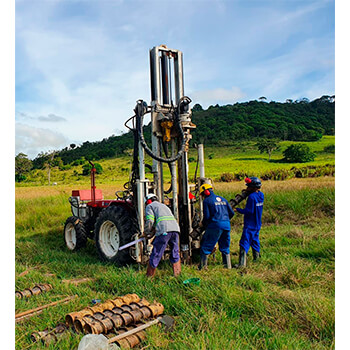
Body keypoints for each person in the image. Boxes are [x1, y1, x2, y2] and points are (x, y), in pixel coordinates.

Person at [144, 193, 181, 277]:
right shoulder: (164, 206)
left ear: (148, 201)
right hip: (175, 230)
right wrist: (153, 231)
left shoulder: (150, 206)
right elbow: (160, 221)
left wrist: (146, 232)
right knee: (175, 252)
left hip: (164, 231)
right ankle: (177, 275)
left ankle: (149, 277)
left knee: (156, 253)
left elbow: (150, 221)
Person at [199, 183, 235, 270]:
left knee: (207, 245)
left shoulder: (207, 201)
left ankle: (203, 267)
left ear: (205, 192)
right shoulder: (223, 199)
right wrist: (225, 220)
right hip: (226, 225)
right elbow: (232, 213)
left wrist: (203, 224)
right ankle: (227, 266)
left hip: (215, 225)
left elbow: (207, 217)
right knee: (225, 245)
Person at [234, 177, 264, 268]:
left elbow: (249, 211)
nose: (247, 188)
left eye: (248, 187)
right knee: (255, 241)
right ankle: (257, 259)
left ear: (252, 187)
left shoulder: (251, 197)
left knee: (244, 242)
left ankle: (241, 264)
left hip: (250, 224)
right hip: (257, 223)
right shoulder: (261, 195)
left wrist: (237, 210)